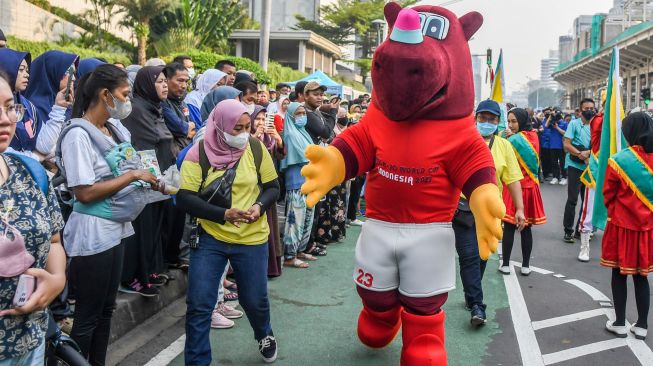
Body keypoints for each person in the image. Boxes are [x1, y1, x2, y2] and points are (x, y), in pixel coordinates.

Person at [62, 64, 161, 365]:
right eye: (124, 94)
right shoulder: (77, 135)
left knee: (107, 309)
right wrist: (133, 178)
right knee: (88, 315)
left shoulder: (114, 130)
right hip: (93, 230)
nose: (127, 101)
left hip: (116, 227)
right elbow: (84, 191)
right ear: (105, 95)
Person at [177, 99, 280, 364]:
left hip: (252, 239)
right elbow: (186, 198)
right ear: (219, 125)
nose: (243, 134)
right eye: (237, 129)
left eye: (247, 127)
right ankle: (198, 361)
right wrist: (224, 214)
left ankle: (264, 333)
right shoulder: (198, 153)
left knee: (255, 300)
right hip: (210, 237)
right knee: (199, 305)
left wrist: (259, 206)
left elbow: (272, 187)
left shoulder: (256, 149)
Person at [0, 71, 66, 366]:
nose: (5, 119)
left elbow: (53, 238)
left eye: (9, 106)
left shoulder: (29, 172)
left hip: (30, 339)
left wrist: (57, 279)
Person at [454, 100, 524, 325]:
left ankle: (470, 294)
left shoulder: (504, 147)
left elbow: (512, 180)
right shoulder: (462, 141)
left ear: (498, 121)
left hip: (491, 213)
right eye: (482, 118)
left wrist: (520, 209)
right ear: (475, 118)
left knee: (483, 256)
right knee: (469, 257)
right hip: (463, 210)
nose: (486, 122)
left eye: (492, 119)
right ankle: (477, 305)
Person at [119, 66, 174, 296]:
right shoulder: (137, 110)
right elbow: (141, 148)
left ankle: (149, 270)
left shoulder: (156, 109)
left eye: (164, 81)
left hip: (160, 177)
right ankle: (133, 277)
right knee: (142, 230)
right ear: (146, 84)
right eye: (159, 81)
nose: (164, 85)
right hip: (145, 179)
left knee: (154, 230)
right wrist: (152, 178)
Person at [601, 111, 653, 340]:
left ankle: (620, 322)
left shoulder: (619, 160)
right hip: (647, 229)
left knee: (619, 273)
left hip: (621, 227)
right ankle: (642, 325)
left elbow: (608, 195)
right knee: (641, 277)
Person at [499, 108, 546, 276]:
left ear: (522, 121)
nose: (511, 125)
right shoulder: (533, 136)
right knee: (521, 229)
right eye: (509, 121)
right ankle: (521, 264)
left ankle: (510, 264)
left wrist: (504, 136)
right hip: (527, 188)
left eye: (514, 121)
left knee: (513, 228)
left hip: (515, 188)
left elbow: (499, 149)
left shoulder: (513, 139)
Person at [161, 62, 195, 270]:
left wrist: (187, 128)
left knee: (180, 211)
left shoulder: (179, 103)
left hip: (182, 162)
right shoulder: (164, 104)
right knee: (170, 212)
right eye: (179, 80)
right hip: (170, 164)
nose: (183, 85)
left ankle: (174, 255)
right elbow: (182, 127)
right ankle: (168, 257)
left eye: (186, 81)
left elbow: (190, 127)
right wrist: (186, 128)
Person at [280, 102, 317, 268]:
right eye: (298, 113)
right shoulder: (289, 134)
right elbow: (305, 156)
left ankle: (300, 250)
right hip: (296, 183)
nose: (302, 116)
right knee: (295, 220)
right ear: (290, 115)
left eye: (303, 113)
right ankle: (289, 256)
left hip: (308, 182)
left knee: (307, 219)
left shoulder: (303, 133)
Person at [250, 105, 285, 277]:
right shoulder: (246, 138)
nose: (261, 122)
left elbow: (279, 155)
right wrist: (253, 139)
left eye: (264, 119)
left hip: (268, 187)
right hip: (252, 189)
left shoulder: (268, 138)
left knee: (269, 226)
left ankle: (270, 266)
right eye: (257, 119)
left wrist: (278, 141)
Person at [24, 50, 79, 159]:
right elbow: (44, 148)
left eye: (75, 73)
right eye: (69, 72)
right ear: (52, 71)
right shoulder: (32, 106)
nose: (73, 78)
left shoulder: (65, 103)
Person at [0, 48, 42, 161]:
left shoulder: (28, 106)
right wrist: (35, 158)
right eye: (21, 70)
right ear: (7, 69)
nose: (27, 75)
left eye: (27, 70)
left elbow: (43, 145)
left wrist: (59, 107)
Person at [562, 98, 594, 243]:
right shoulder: (574, 124)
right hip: (575, 165)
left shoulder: (596, 126)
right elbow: (567, 144)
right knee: (573, 199)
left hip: (590, 167)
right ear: (580, 111)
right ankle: (568, 231)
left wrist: (589, 154)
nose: (589, 110)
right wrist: (580, 154)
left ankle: (580, 229)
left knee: (587, 201)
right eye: (586, 108)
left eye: (592, 108)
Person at [545, 109, 568, 185]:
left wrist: (557, 127)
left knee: (562, 162)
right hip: (552, 145)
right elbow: (546, 125)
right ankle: (555, 177)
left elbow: (565, 133)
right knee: (554, 162)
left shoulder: (564, 123)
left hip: (561, 146)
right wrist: (550, 116)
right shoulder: (552, 123)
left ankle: (564, 177)